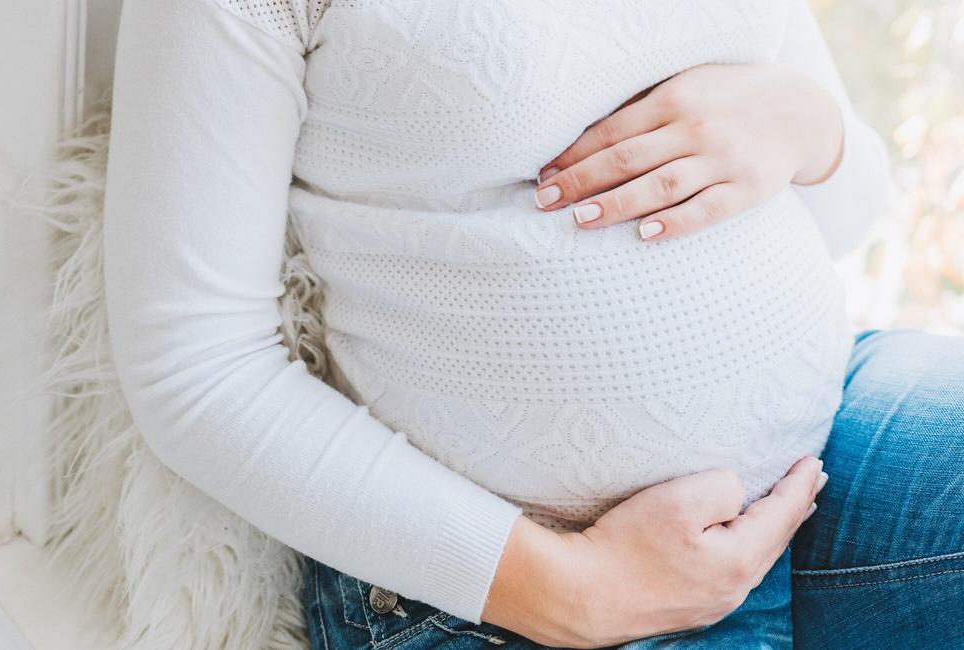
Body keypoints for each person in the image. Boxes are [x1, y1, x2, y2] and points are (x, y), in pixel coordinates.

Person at [101, 0, 964, 647]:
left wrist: (810, 126)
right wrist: (570, 591)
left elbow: (844, 214)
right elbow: (195, 368)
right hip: (504, 589)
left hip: (821, 455)